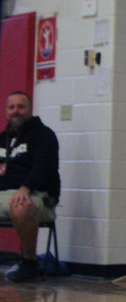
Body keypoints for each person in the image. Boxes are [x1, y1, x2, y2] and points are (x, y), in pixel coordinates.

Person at [1, 91, 60, 283]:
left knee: (20, 205)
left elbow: (43, 168)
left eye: (21, 106)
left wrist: (25, 188)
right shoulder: (2, 139)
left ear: (30, 109)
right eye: (11, 107)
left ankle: (29, 262)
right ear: (6, 111)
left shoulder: (44, 135)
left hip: (37, 194)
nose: (16, 111)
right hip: (3, 193)